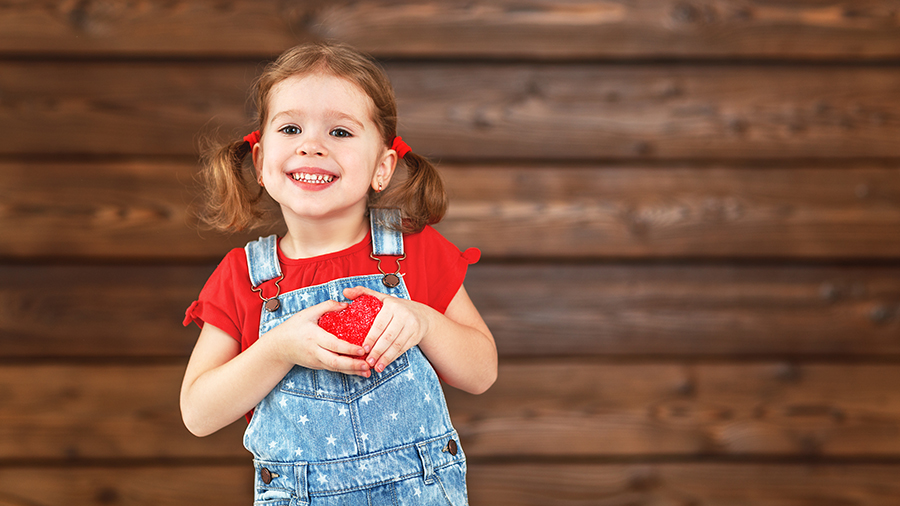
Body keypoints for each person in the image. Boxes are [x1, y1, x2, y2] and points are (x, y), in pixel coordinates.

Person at [180, 41, 497, 506]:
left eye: (340, 133)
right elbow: (198, 412)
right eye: (291, 128)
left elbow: (482, 371)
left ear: (382, 167)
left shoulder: (413, 251)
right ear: (261, 162)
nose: (312, 145)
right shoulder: (242, 277)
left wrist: (423, 322)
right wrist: (280, 347)